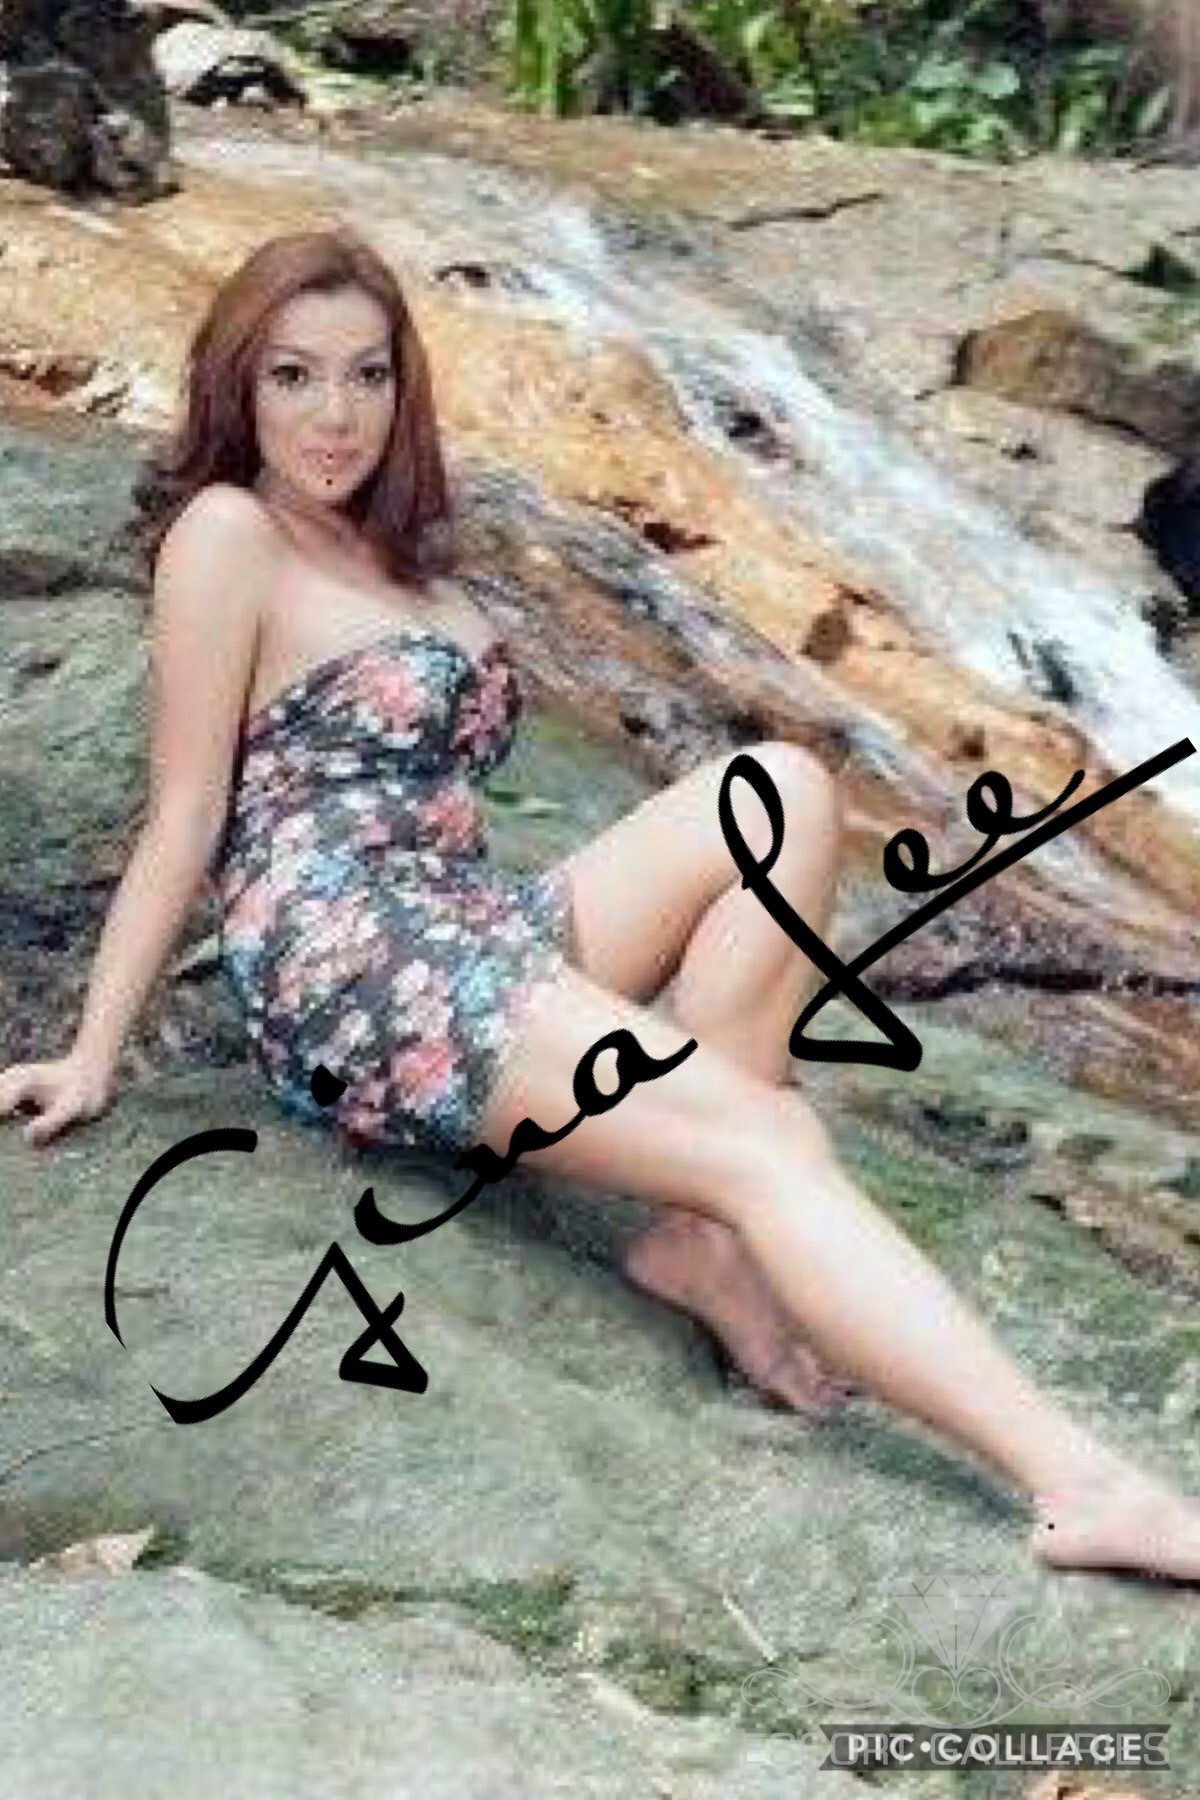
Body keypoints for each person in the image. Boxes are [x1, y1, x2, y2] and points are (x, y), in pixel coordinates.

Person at [1, 227, 1198, 1583]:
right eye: (293, 375)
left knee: (781, 793)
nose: (334, 414)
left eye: (366, 375)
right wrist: (93, 1054)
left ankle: (703, 1234)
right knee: (770, 1136)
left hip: (467, 922)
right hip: (353, 965)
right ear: (240, 385)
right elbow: (185, 813)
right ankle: (1078, 1483)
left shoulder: (398, 561)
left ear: (402, 388)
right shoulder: (230, 535)